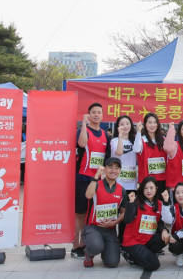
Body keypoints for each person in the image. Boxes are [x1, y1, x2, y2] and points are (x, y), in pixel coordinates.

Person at [73, 103, 110, 258]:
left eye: (99, 112)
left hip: (98, 179)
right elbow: (81, 144)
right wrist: (83, 125)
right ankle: (77, 245)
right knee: (80, 213)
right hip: (83, 176)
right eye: (93, 112)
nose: (96, 115)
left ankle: (91, 242)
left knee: (93, 212)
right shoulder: (84, 131)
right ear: (89, 115)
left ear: (102, 115)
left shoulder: (105, 134)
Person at [82, 157, 126, 268]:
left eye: (116, 168)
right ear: (105, 169)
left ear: (120, 171)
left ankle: (105, 250)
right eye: (110, 167)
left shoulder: (121, 190)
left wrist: (115, 222)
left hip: (110, 230)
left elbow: (123, 212)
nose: (113, 170)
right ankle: (89, 253)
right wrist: (96, 176)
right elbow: (88, 195)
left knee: (112, 262)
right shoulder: (96, 184)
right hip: (93, 227)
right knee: (96, 245)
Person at [121, 176, 166, 271]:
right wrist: (131, 203)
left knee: (166, 237)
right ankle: (131, 256)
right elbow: (127, 220)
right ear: (142, 189)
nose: (148, 191)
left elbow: (161, 222)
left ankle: (145, 254)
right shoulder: (136, 202)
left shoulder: (159, 204)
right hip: (133, 241)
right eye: (145, 188)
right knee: (154, 265)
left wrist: (164, 231)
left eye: (151, 188)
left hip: (147, 240)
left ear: (156, 189)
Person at [133, 113, 167, 193]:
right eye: (150, 122)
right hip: (146, 181)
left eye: (155, 122)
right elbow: (136, 149)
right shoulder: (141, 139)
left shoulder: (163, 139)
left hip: (162, 180)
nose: (152, 125)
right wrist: (138, 131)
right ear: (145, 124)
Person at [110, 115, 138, 193]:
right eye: (122, 124)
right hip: (118, 180)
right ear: (118, 126)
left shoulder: (135, 141)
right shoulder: (114, 141)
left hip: (132, 181)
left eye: (127, 123)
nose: (125, 126)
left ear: (131, 125)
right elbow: (119, 152)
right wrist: (120, 136)